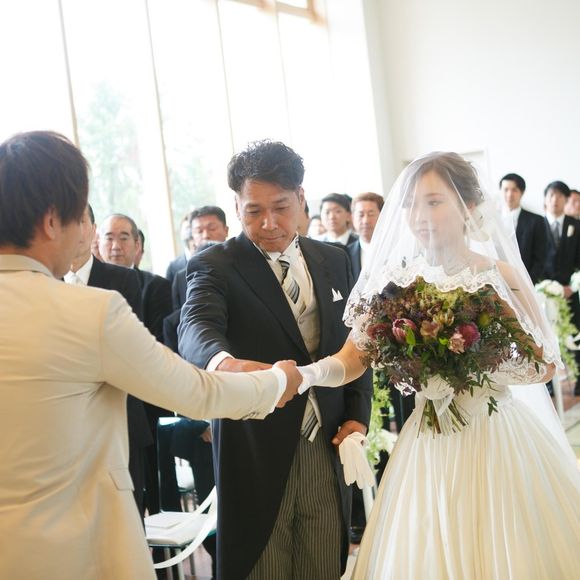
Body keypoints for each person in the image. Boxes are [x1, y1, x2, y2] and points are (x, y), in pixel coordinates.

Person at [0, 130, 301, 580]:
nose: (85, 235)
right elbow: (194, 392)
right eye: (80, 218)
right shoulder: (89, 312)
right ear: (50, 222)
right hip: (70, 550)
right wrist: (277, 382)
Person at [294, 152, 580, 579]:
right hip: (427, 436)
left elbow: (544, 364)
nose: (419, 216)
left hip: (493, 432)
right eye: (411, 204)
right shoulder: (395, 283)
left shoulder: (499, 276)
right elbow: (355, 358)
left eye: (433, 202)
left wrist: (470, 367)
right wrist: (308, 375)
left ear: (467, 206)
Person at [178, 140, 372, 580]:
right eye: (253, 211)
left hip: (326, 443)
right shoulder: (216, 264)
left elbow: (357, 341)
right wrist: (226, 366)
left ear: (301, 198)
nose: (268, 223)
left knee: (324, 565)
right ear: (237, 207)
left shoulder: (334, 260)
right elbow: (196, 328)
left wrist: (357, 416)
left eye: (281, 207)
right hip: (256, 448)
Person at [65, 204, 152, 517]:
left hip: (121, 417)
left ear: (92, 229)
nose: (74, 230)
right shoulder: (43, 281)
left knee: (128, 519)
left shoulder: (122, 279)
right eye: (65, 221)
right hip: (65, 425)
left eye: (80, 221)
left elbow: (126, 349)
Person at [499, 172, 547, 283]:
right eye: (506, 190)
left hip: (525, 281)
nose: (509, 194)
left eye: (514, 190)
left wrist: (527, 282)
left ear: (522, 192)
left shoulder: (536, 221)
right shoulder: (491, 219)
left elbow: (540, 258)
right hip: (497, 282)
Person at [347, 192, 384, 280]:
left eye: (371, 214)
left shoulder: (394, 250)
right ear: (352, 218)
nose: (365, 221)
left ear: (383, 216)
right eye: (361, 215)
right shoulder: (346, 254)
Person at [166, 212, 194, 283]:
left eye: (193, 228)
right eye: (187, 228)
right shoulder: (173, 267)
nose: (190, 233)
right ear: (181, 233)